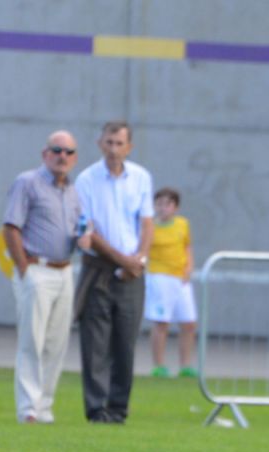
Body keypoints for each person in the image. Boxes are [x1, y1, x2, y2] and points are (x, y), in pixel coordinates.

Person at [2, 130, 84, 424]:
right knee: (31, 341)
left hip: (65, 270)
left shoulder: (73, 191)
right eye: (57, 150)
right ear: (45, 153)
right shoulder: (27, 183)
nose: (63, 156)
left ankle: (45, 405)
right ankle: (28, 408)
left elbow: (78, 229)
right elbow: (11, 227)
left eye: (69, 152)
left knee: (56, 343)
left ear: (75, 158)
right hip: (36, 268)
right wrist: (24, 268)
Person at [75, 121, 153, 424]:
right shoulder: (87, 180)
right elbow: (89, 230)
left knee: (125, 342)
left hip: (134, 270)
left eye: (119, 144)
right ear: (99, 143)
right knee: (95, 342)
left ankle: (118, 407)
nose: (113, 149)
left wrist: (139, 258)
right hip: (100, 268)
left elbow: (147, 223)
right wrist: (122, 259)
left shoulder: (141, 178)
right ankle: (97, 408)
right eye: (109, 142)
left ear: (129, 147)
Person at [145, 187, 197, 378]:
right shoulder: (150, 226)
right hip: (159, 277)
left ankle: (185, 365)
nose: (163, 208)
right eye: (159, 203)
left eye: (168, 204)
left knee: (189, 323)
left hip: (180, 278)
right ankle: (158, 365)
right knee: (161, 323)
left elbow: (187, 246)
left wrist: (189, 267)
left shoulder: (183, 224)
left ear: (176, 207)